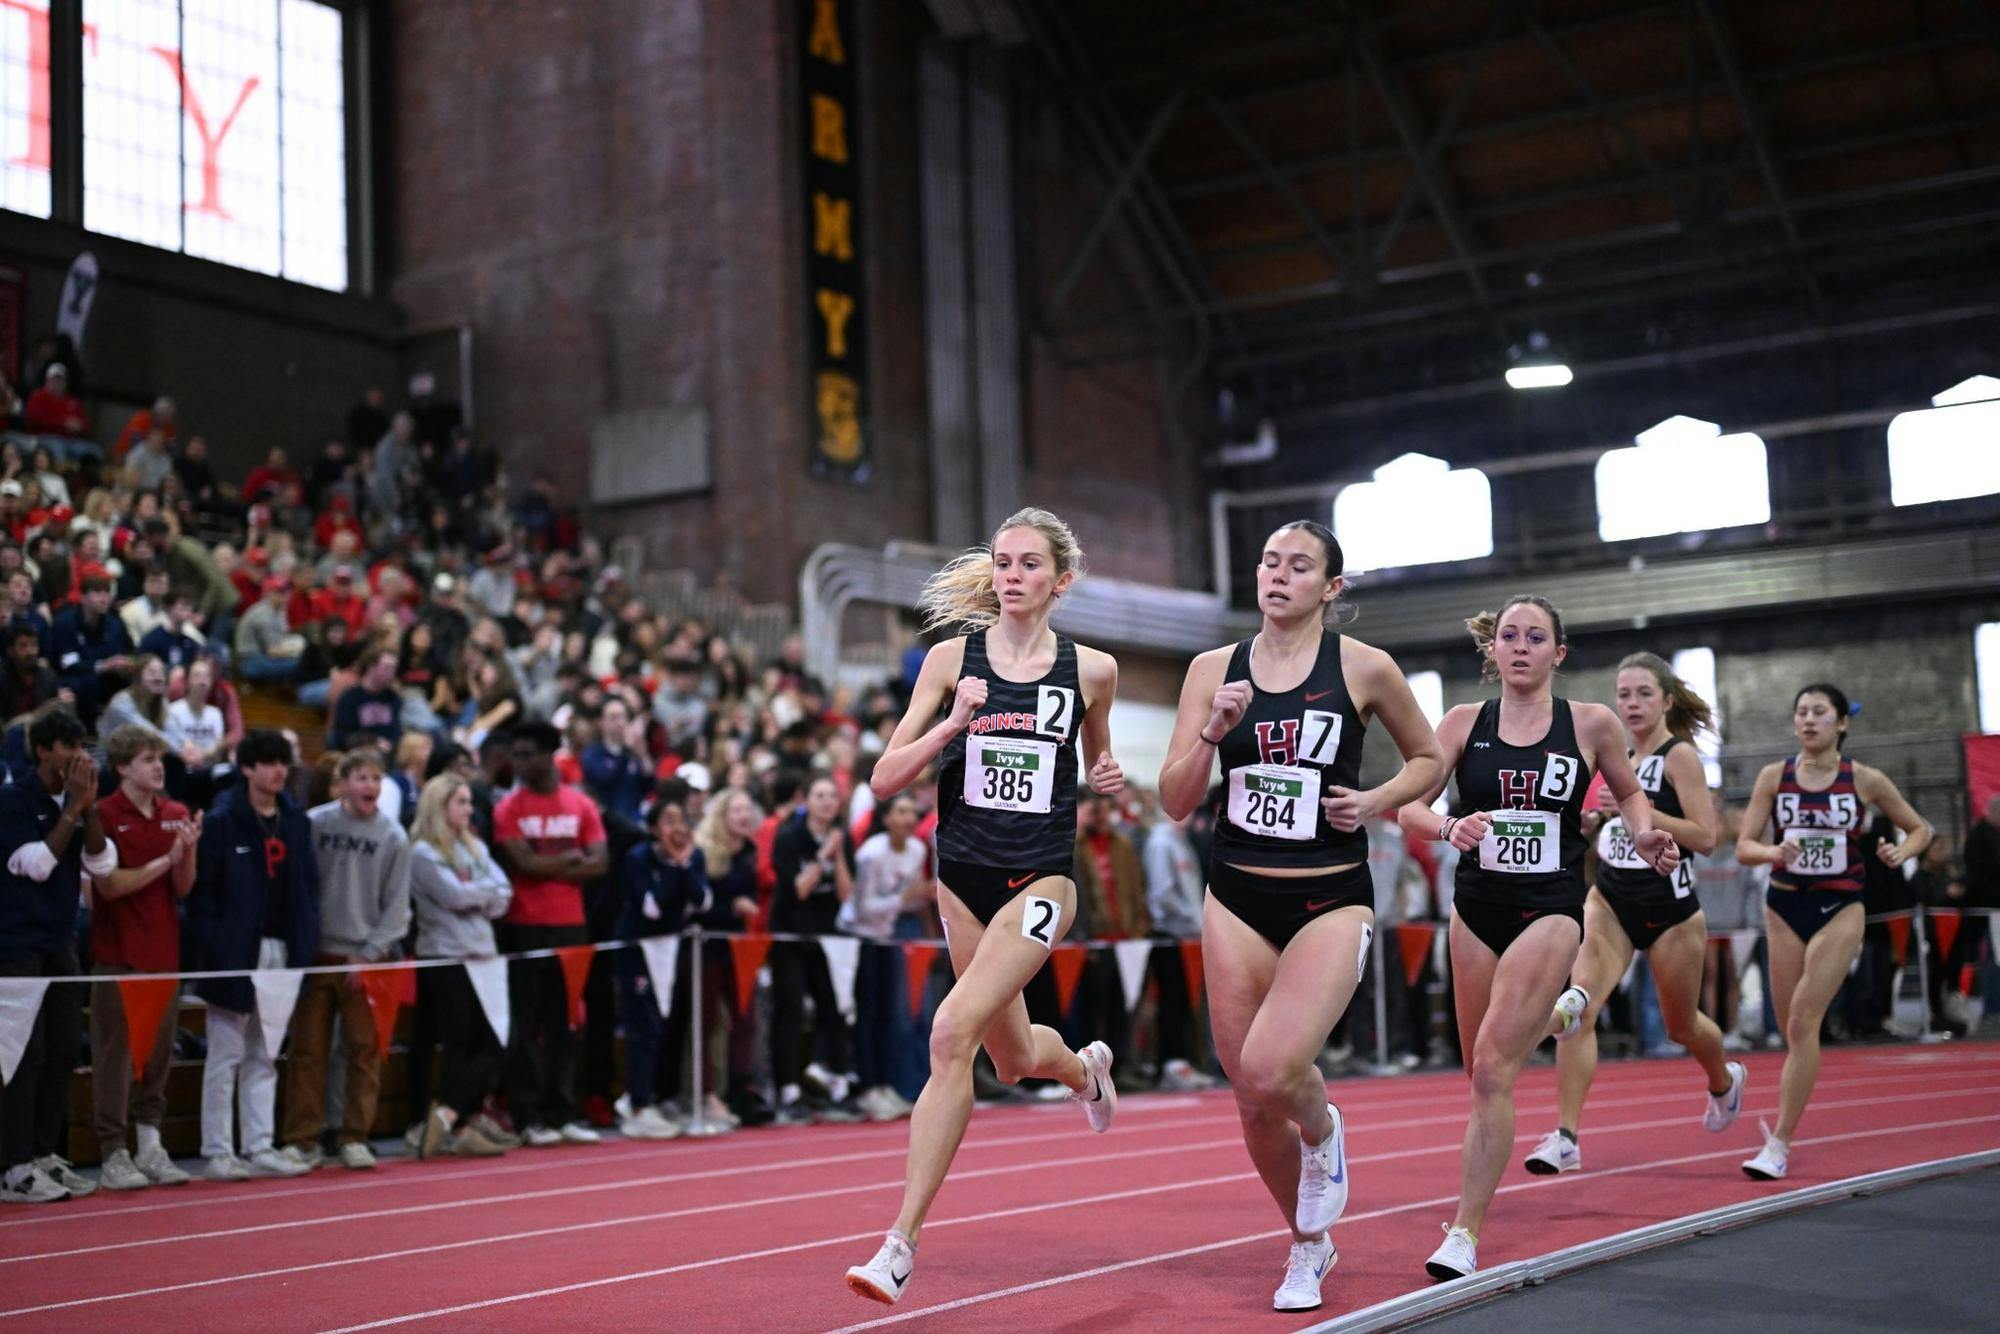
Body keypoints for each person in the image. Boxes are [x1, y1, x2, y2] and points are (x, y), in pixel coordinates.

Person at [1157, 520, 1443, 1312]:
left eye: (1299, 566)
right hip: (1237, 894)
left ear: (1331, 587)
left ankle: (1323, 1131)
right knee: (1248, 1094)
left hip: (1327, 892)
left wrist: (1380, 799)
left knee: (1276, 1068)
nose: (1278, 575)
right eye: (1269, 561)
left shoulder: (1364, 667)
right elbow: (1175, 801)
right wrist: (1214, 731)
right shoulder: (1212, 670)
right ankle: (1307, 1246)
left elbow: (1430, 758)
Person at [845, 507, 1124, 1306]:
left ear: (1059, 581)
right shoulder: (948, 661)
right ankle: (1083, 1069)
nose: (1010, 574)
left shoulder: (1093, 671)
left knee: (950, 1032)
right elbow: (884, 780)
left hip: (1041, 882)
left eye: (1029, 563)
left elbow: (1098, 763)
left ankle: (899, 1244)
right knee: (1009, 1059)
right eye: (1002, 561)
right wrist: (953, 725)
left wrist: (1105, 779)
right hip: (961, 876)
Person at [1398, 595, 1676, 1281]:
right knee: (1480, 1070)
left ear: (1559, 652)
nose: (1520, 647)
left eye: (1535, 637)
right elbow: (1409, 802)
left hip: (1550, 905)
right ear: (1492, 651)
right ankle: (1561, 1014)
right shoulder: (1464, 722)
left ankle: (1462, 1231)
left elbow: (1629, 791)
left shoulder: (1591, 723)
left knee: (1495, 1065)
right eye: (1508, 636)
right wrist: (1445, 827)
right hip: (1476, 906)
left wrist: (1642, 833)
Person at [1523, 653, 1741, 1178]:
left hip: (1671, 910)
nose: (1632, 704)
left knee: (1681, 1024)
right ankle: (1567, 1135)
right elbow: (1601, 821)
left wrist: (1636, 805)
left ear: (1666, 700)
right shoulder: (1611, 753)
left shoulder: (1678, 756)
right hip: (1612, 899)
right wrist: (1596, 819)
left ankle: (1723, 1080)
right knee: (1580, 1008)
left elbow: (1707, 838)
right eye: (1624, 694)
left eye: (1644, 693)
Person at [1734, 682, 1930, 1180]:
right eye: (1801, 712)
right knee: (1791, 1032)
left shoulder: (1865, 779)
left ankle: (1778, 1143)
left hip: (1841, 906)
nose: (1808, 720)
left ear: (1841, 722)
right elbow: (1743, 846)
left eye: (1819, 712)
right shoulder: (1773, 777)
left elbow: (1921, 829)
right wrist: (1773, 853)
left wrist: (1899, 853)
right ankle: (1782, 1129)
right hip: (1783, 905)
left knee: (1803, 1019)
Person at [187, 729, 318, 1180]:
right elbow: (203, 896)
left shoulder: (296, 821)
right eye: (267, 761)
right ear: (246, 768)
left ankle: (259, 1144)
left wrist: (305, 942)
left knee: (266, 1052)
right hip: (234, 951)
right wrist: (214, 947)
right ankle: (218, 1149)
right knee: (225, 1054)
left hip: (283, 947)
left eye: (283, 762)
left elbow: (308, 888)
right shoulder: (223, 821)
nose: (278, 770)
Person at [0, 706, 116, 1203]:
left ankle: (45, 1152)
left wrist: (87, 810)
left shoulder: (79, 799)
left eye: (83, 747)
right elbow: (36, 865)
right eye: (68, 747)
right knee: (23, 1057)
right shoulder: (12, 800)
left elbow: (103, 862)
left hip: (59, 943)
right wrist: (72, 810)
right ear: (44, 750)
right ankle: (14, 1165)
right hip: (15, 945)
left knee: (65, 1048)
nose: (78, 757)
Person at [281, 749, 413, 1170]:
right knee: (307, 1051)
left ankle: (354, 1135)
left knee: (363, 1053)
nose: (369, 786)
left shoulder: (394, 836)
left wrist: (369, 954)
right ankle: (302, 1139)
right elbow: (297, 888)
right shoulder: (315, 824)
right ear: (342, 783)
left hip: (365, 960)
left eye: (376, 778)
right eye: (361, 777)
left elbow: (397, 908)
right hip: (317, 955)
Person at [87, 726, 200, 1190]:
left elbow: (183, 887)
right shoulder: (102, 815)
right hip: (118, 955)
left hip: (164, 953)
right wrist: (165, 861)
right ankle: (114, 1152)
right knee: (114, 1058)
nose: (158, 766)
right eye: (148, 758)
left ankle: (151, 1144)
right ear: (121, 767)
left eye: (160, 758)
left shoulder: (175, 813)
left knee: (158, 1057)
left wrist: (187, 853)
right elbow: (108, 887)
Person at [493, 721, 609, 1146]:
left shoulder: (581, 805)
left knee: (565, 1021)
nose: (520, 763)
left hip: (570, 924)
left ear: (549, 755)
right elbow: (524, 866)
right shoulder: (508, 809)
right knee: (525, 1023)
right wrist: (571, 858)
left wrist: (549, 862)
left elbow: (599, 863)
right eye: (516, 755)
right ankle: (527, 1116)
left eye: (528, 754)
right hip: (524, 925)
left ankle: (561, 1112)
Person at [409, 774, 514, 1158]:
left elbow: (505, 894)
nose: (470, 810)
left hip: (481, 954)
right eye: (462, 802)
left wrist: (478, 895)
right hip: (446, 956)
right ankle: (456, 1123)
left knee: (493, 1040)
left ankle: (453, 1116)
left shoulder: (474, 847)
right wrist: (482, 895)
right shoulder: (422, 852)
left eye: (470, 802)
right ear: (440, 806)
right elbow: (454, 896)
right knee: (459, 1043)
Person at [615, 797, 710, 1139]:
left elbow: (702, 900)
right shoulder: (639, 858)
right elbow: (651, 908)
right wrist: (677, 868)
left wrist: (685, 867)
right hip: (638, 948)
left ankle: (651, 1095)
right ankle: (638, 1105)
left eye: (681, 821)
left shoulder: (694, 857)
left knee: (666, 1025)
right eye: (668, 821)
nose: (677, 829)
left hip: (671, 948)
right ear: (654, 829)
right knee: (644, 1027)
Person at [768, 774, 859, 1119]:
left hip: (826, 934)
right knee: (789, 1009)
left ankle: (834, 1081)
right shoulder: (790, 837)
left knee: (833, 1008)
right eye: (818, 795)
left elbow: (846, 894)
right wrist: (823, 853)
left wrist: (837, 857)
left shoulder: (842, 839)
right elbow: (799, 890)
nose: (825, 802)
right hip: (790, 933)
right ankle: (788, 1088)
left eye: (831, 796)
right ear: (806, 801)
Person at [848, 792, 931, 1121]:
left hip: (893, 936)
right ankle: (868, 1086)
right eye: (901, 812)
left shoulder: (917, 850)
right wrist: (903, 900)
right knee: (867, 1012)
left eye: (912, 812)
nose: (909, 819)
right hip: (864, 938)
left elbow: (913, 899)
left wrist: (917, 901)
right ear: (885, 819)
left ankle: (887, 1084)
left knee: (892, 1013)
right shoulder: (871, 854)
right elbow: (861, 908)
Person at [330, 648, 403, 750]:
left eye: (393, 669)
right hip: (358, 751)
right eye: (387, 668)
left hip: (387, 752)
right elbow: (343, 735)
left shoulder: (393, 698)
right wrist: (374, 742)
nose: (391, 673)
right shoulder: (350, 698)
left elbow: (397, 731)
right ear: (371, 667)